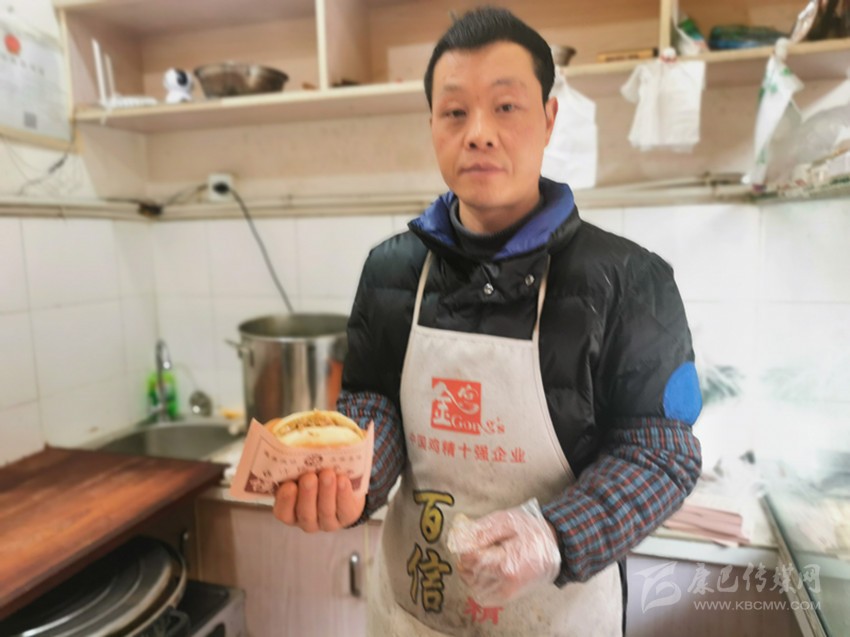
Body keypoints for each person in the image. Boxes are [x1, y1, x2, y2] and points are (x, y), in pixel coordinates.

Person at [273, 7, 703, 635]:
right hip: (413, 613)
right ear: (431, 125)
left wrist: (553, 535)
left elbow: (661, 452)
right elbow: (373, 403)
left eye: (505, 107)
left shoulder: (630, 280)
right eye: (454, 112)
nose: (478, 133)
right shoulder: (390, 269)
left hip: (558, 616)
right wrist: (353, 478)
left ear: (548, 119)